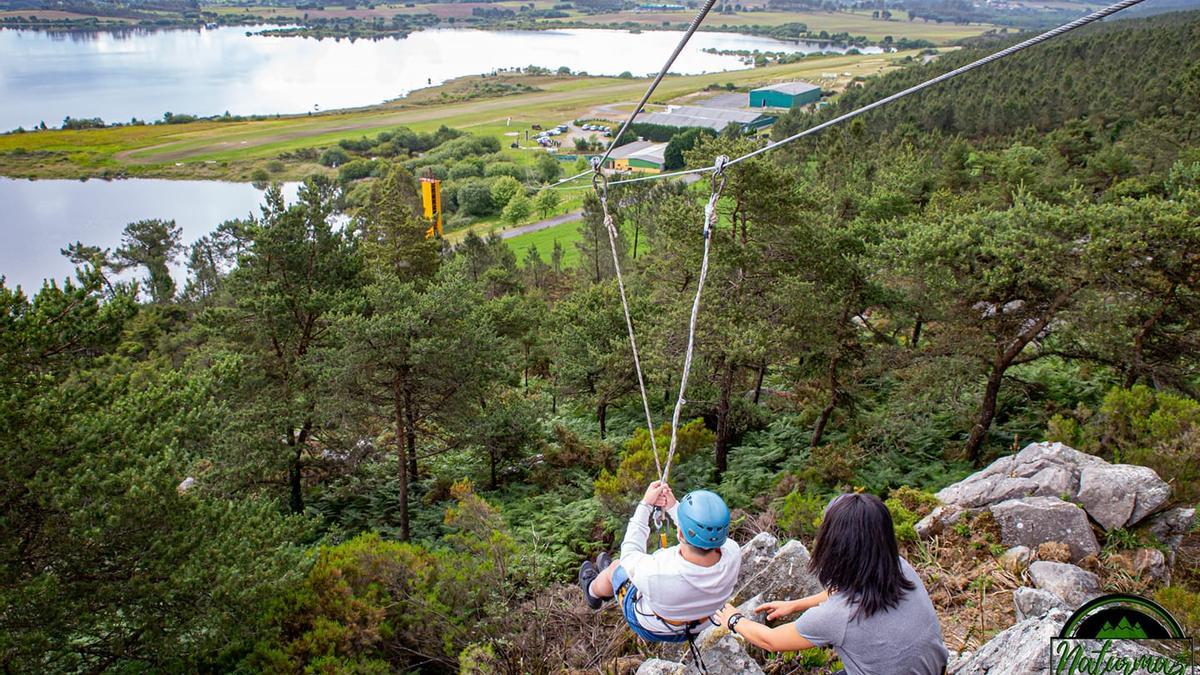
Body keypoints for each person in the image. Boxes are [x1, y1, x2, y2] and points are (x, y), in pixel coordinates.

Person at [714, 493, 948, 675]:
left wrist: (734, 620)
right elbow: (849, 588)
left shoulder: (838, 616)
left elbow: (771, 641)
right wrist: (795, 605)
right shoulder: (897, 566)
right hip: (933, 668)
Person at [578, 481, 741, 643]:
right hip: (703, 623)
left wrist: (646, 504)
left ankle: (593, 591)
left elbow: (629, 553)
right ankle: (609, 584)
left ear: (681, 534)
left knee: (616, 568)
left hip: (654, 629)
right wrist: (672, 506)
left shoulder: (657, 571)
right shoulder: (733, 553)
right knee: (627, 568)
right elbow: (703, 534)